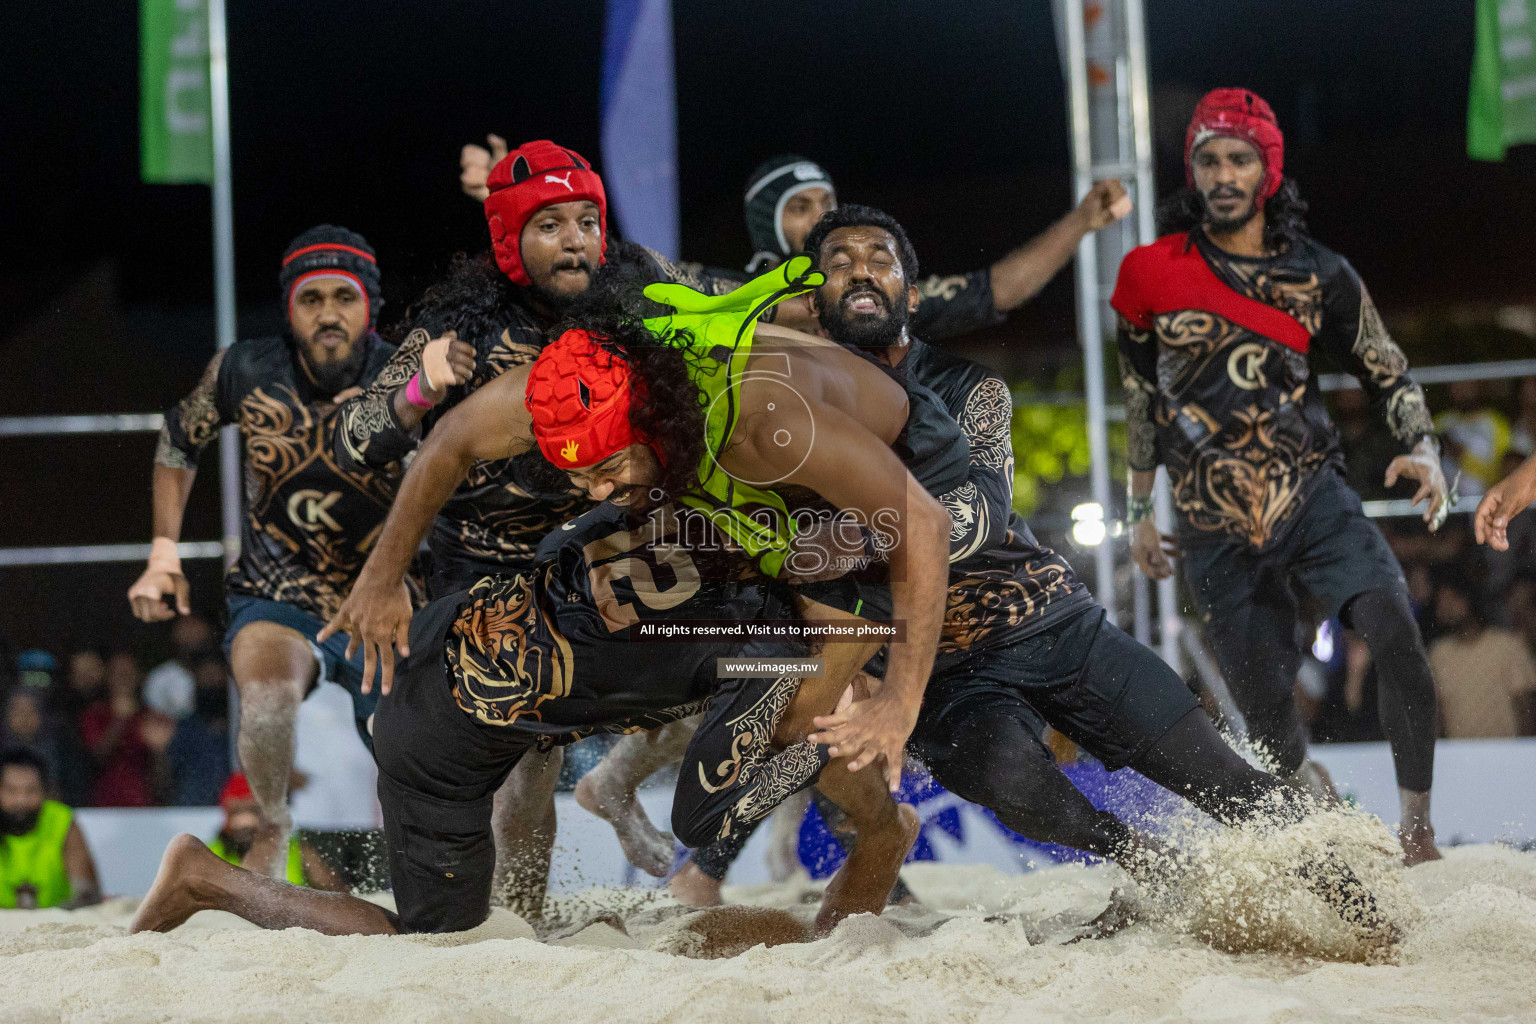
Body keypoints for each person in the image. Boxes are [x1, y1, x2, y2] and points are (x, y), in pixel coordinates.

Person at [330, 139, 800, 912]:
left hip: (604, 545)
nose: (577, 237)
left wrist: (835, 295)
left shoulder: (640, 282)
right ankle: (521, 922)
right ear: (511, 240)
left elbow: (735, 300)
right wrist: (416, 391)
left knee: (752, 655)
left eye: (588, 219)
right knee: (525, 764)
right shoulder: (458, 323)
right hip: (486, 562)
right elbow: (355, 440)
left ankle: (615, 783)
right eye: (550, 224)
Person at [1112, 88, 1446, 864]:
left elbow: (1387, 373)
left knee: (1394, 632)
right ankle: (1311, 799)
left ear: (1268, 169)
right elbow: (1141, 396)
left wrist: (1425, 449)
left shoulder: (1321, 273)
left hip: (1312, 493)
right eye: (1208, 159)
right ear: (1190, 171)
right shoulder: (1145, 273)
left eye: (1239, 158)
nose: (1223, 174)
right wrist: (1137, 507)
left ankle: (1418, 830)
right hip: (1207, 521)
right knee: (1267, 723)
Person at [126, 226, 413, 876]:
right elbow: (178, 439)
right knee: (266, 702)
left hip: (379, 590)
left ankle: (425, 849)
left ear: (369, 305)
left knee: (405, 748)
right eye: (312, 300)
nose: (329, 314)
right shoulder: (244, 370)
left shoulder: (407, 378)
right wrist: (164, 550)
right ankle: (272, 822)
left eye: (345, 297)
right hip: (276, 589)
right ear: (290, 309)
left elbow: (452, 473)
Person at [458, 140, 1132, 340]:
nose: (824, 215)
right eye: (802, 205)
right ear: (765, 222)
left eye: (830, 202)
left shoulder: (872, 293)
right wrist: (514, 201)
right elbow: (598, 265)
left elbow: (992, 292)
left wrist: (1079, 222)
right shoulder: (718, 285)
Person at [1426, 573, 1536, 738]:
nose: (1446, 607)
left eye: (1452, 599)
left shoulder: (1507, 645)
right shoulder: (1438, 653)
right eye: (1441, 602)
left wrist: (1524, 756)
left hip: (1506, 755)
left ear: (1469, 600)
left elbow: (1525, 707)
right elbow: (1437, 715)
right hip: (1459, 757)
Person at [0, 748, 101, 909]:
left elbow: (88, 894)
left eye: (31, 790)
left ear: (45, 791)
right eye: (11, 791)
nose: (21, 800)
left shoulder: (61, 821)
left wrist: (52, 917)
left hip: (58, 922)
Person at [207, 774, 345, 891]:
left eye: (253, 810)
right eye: (235, 811)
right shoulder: (209, 854)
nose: (243, 821)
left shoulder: (297, 849)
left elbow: (336, 894)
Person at [78, 651, 172, 807]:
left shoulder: (150, 716)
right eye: (117, 673)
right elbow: (94, 760)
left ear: (138, 676)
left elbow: (163, 780)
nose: (123, 677)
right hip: (104, 807)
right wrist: (119, 721)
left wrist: (159, 752)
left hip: (145, 806)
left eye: (128, 672)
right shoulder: (96, 713)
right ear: (107, 677)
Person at [163, 655, 233, 806]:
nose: (212, 683)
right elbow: (168, 778)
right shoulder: (184, 727)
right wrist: (159, 751)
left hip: (235, 810)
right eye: (206, 678)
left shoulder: (239, 727)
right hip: (192, 811)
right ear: (196, 682)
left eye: (216, 677)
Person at [142, 615, 218, 720]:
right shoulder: (160, 676)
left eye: (194, 625)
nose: (191, 632)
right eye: (185, 626)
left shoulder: (224, 672)